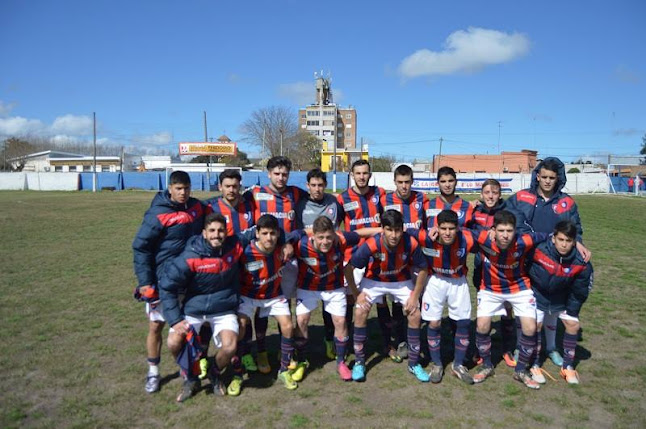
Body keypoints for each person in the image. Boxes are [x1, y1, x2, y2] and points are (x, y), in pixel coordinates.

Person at [507, 157, 588, 367]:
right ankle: (520, 345)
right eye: (544, 177)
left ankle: (551, 347)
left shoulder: (566, 202)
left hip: (555, 263)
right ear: (537, 176)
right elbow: (505, 214)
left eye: (552, 177)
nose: (548, 181)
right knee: (526, 307)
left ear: (558, 178)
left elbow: (575, 229)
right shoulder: (522, 197)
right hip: (527, 260)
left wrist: (578, 242)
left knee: (552, 308)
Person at [132, 170, 205, 394]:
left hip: (189, 279)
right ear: (170, 188)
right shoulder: (157, 213)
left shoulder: (197, 208)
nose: (183, 193)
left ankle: (187, 370)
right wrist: (145, 281)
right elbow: (141, 247)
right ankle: (153, 371)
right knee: (156, 326)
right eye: (178, 189)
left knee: (186, 326)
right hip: (162, 281)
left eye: (186, 188)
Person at [160, 213, 244, 402]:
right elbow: (167, 286)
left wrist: (289, 240)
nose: (217, 235)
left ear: (226, 232)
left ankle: (214, 373)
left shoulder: (234, 245)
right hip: (194, 310)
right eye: (212, 231)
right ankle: (191, 378)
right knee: (173, 342)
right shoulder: (190, 256)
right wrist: (175, 319)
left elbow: (260, 232)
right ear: (204, 233)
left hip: (224, 308)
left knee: (230, 346)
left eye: (221, 230)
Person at [345, 210, 430, 383]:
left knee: (415, 313)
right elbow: (348, 268)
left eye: (397, 230)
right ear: (382, 229)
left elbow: (423, 269)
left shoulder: (410, 242)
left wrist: (415, 296)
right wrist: (356, 294)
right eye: (389, 230)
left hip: (401, 280)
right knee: (360, 311)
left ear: (403, 229)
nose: (394, 235)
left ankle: (413, 363)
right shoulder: (372, 244)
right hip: (374, 280)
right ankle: (360, 362)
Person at [291, 216, 379, 381]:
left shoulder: (341, 240)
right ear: (313, 236)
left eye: (329, 237)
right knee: (302, 320)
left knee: (340, 321)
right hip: (307, 287)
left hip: (334, 287)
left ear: (334, 234)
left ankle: (341, 362)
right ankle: (302, 361)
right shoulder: (300, 245)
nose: (325, 242)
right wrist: (288, 244)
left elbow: (359, 234)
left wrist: (381, 230)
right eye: (321, 238)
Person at [472, 210, 548, 389]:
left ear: (515, 230)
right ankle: (487, 365)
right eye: (501, 231)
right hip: (490, 289)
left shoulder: (524, 240)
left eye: (509, 231)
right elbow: (459, 231)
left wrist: (577, 243)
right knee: (482, 325)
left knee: (530, 328)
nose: (505, 235)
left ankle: (521, 370)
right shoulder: (483, 238)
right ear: (493, 230)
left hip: (519, 288)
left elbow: (549, 236)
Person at [247, 156, 307, 374]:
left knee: (285, 302)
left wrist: (290, 241)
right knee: (262, 305)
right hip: (262, 258)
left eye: (285, 174)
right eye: (277, 173)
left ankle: (286, 351)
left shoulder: (295, 193)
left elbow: (315, 204)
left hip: (287, 258)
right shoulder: (254, 194)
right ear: (268, 173)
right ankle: (261, 351)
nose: (281, 178)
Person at [408, 210, 479, 385]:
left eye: (451, 229)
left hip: (458, 282)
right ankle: (437, 364)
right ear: (437, 227)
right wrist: (427, 230)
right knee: (433, 323)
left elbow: (487, 235)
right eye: (443, 228)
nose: (447, 233)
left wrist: (492, 231)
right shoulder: (427, 237)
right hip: (435, 281)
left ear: (458, 228)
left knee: (463, 322)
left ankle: (458, 364)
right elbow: (407, 231)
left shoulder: (468, 238)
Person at [337, 160, 397, 360]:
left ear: (370, 174)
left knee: (380, 301)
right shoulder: (343, 198)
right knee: (349, 300)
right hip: (352, 256)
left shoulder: (378, 193)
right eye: (358, 173)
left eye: (365, 173)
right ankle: (345, 343)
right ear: (352, 175)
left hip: (377, 255)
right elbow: (336, 227)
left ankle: (388, 344)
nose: (362, 177)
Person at [237, 214, 300, 391]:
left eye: (273, 233)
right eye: (264, 233)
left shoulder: (281, 248)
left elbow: (300, 232)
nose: (269, 238)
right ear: (256, 233)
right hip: (249, 295)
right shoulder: (245, 252)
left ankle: (284, 369)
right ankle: (238, 371)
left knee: (287, 326)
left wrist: (288, 242)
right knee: (240, 325)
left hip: (273, 295)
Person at [205, 169, 258, 375]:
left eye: (235, 186)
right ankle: (204, 357)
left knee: (243, 313)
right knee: (215, 312)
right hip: (220, 269)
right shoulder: (210, 207)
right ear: (220, 187)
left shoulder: (249, 206)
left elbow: (256, 229)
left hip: (246, 267)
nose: (231, 190)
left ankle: (245, 353)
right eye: (227, 186)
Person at [527, 221, 593, 385]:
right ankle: (534, 363)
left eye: (568, 241)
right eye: (561, 239)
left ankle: (568, 366)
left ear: (574, 241)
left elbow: (579, 292)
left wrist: (571, 311)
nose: (564, 245)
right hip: (538, 295)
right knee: (535, 325)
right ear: (554, 238)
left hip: (561, 298)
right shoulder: (538, 250)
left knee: (572, 325)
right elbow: (524, 267)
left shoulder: (581, 262)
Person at [380, 164, 429, 359]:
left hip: (416, 257)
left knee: (416, 299)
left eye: (407, 182)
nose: (404, 186)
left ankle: (415, 339)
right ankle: (401, 340)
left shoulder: (422, 199)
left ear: (412, 181)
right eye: (400, 182)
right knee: (397, 302)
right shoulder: (386, 200)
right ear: (394, 182)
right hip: (394, 258)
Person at [294, 168, 342, 360]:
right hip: (307, 257)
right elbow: (296, 230)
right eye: (313, 185)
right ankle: (293, 347)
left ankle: (329, 341)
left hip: (331, 257)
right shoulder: (301, 204)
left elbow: (343, 226)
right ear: (307, 186)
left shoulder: (333, 202)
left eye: (320, 185)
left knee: (329, 305)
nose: (317, 189)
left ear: (325, 185)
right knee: (300, 307)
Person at [470, 179, 516, 368]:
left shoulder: (507, 212)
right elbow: (468, 234)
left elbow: (515, 235)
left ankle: (507, 349)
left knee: (507, 309)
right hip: (482, 267)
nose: (490, 196)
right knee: (484, 311)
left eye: (494, 192)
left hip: (505, 270)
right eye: (487, 192)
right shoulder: (476, 212)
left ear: (499, 194)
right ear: (481, 194)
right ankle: (482, 350)